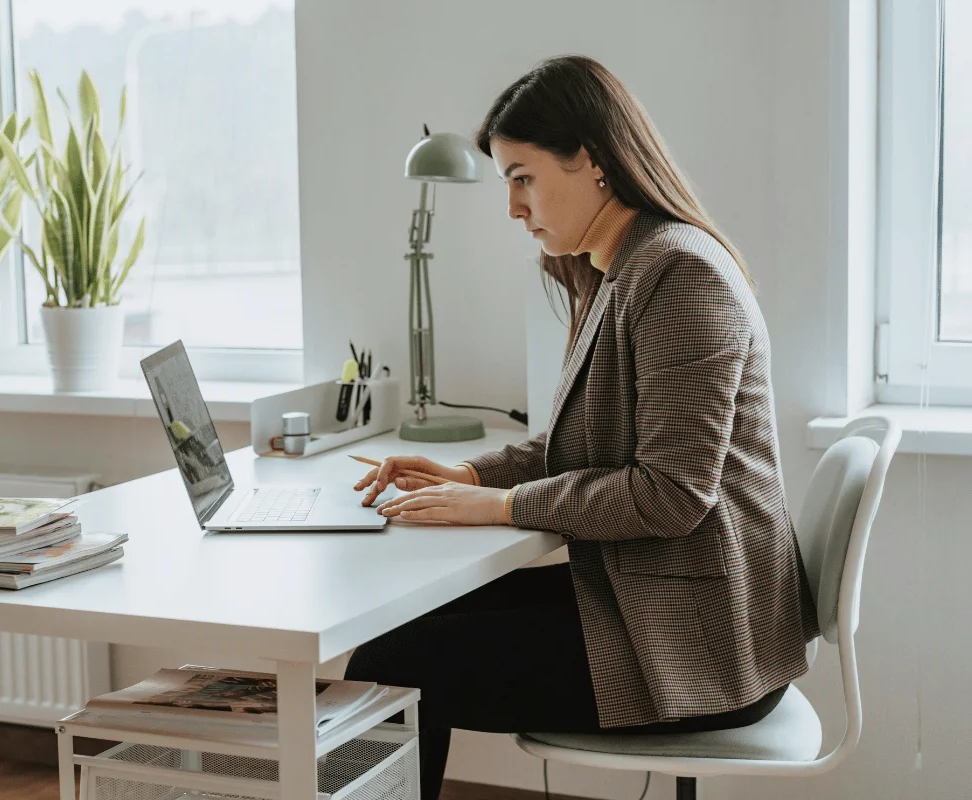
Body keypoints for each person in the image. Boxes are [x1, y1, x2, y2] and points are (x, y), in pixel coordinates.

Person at [346, 55, 819, 800]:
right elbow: (579, 446)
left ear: (594, 163)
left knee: (393, 666)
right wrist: (472, 477)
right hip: (652, 600)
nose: (512, 206)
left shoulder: (679, 274)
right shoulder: (615, 269)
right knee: (400, 637)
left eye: (523, 177)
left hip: (702, 644)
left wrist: (502, 507)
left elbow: (670, 494)